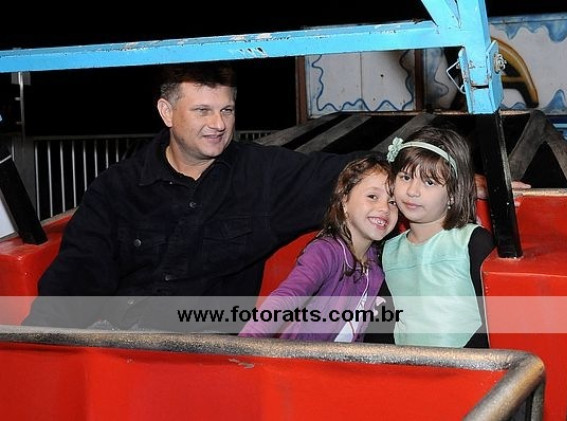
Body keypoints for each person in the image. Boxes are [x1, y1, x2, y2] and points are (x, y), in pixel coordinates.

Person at [23, 61, 370, 330]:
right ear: (166, 112)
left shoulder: (263, 176)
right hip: (119, 347)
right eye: (202, 110)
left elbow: (352, 173)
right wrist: (33, 354)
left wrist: (402, 166)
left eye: (227, 110)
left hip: (207, 357)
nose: (218, 124)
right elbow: (73, 283)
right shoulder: (117, 188)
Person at [239, 155, 398, 342]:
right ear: (344, 200)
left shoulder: (376, 265)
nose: (384, 208)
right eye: (372, 196)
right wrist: (247, 344)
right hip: (302, 357)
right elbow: (289, 295)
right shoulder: (326, 251)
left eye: (393, 202)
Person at [381, 126, 495, 348]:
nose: (412, 191)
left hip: (468, 365)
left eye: (429, 182)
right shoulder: (387, 251)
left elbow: (496, 320)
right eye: (405, 177)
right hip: (403, 366)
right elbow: (384, 324)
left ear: (452, 193)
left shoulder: (472, 242)